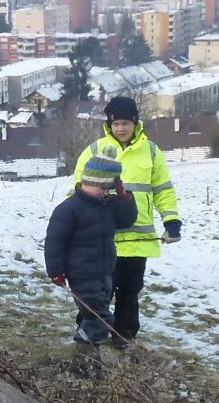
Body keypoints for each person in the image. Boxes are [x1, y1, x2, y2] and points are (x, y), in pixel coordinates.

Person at [71, 95, 181, 346]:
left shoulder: (151, 151)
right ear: (109, 125)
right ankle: (89, 332)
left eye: (125, 123)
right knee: (99, 291)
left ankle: (124, 335)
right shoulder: (95, 150)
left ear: (135, 123)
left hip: (139, 240)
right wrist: (77, 221)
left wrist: (171, 220)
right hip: (104, 238)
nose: (120, 128)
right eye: (116, 124)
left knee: (130, 291)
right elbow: (77, 189)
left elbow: (163, 189)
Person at [44, 155, 137, 345]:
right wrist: (55, 271)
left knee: (97, 311)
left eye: (109, 188)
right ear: (89, 182)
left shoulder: (108, 205)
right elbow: (54, 242)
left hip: (105, 271)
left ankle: (87, 344)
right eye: (103, 188)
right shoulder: (68, 209)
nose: (106, 192)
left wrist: (124, 198)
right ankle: (87, 347)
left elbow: (126, 221)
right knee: (99, 315)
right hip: (81, 273)